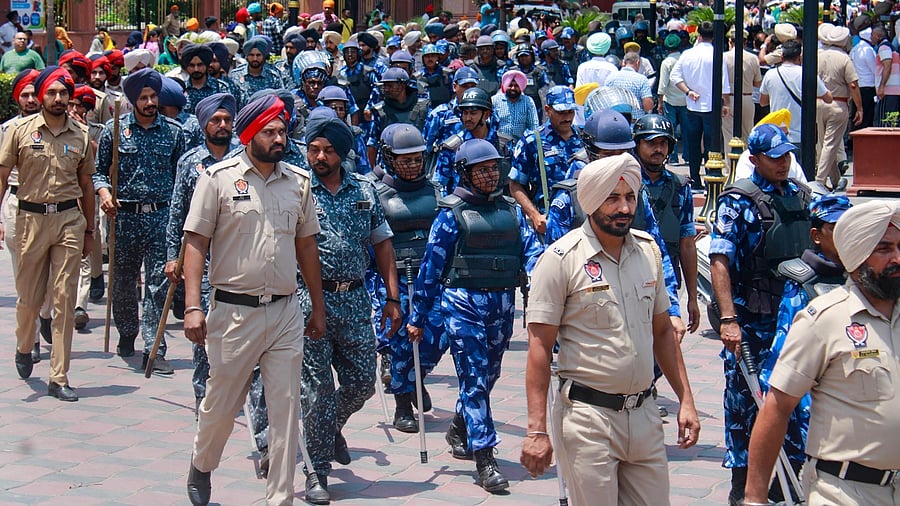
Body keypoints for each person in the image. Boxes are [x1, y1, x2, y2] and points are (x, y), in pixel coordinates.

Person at [520, 153, 700, 505]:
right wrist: (536, 430)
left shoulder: (648, 252)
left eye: (630, 197)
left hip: (645, 417)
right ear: (590, 202)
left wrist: (687, 401)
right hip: (589, 420)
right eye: (612, 198)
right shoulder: (560, 260)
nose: (624, 207)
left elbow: (663, 332)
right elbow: (539, 348)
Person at [183, 94, 325, 506]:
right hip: (233, 313)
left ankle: (279, 497)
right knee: (220, 405)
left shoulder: (298, 182)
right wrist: (193, 306)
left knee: (284, 410)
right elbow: (195, 243)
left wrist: (316, 306)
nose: (279, 138)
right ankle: (202, 462)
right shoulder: (218, 179)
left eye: (283, 130)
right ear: (249, 134)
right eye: (270, 131)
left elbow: (307, 246)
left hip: (284, 311)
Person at [408, 138, 544, 492]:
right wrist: (418, 317)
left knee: (490, 373)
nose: (488, 175)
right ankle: (484, 456)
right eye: (480, 170)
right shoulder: (450, 215)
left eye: (493, 168)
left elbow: (534, 253)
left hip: (502, 306)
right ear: (465, 174)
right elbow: (430, 270)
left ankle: (460, 427)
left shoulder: (512, 211)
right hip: (462, 303)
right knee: (473, 376)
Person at [745, 200, 900, 506]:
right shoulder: (824, 320)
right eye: (884, 249)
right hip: (845, 492)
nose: (897, 257)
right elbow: (776, 409)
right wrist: (754, 498)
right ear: (857, 257)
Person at [301, 113, 402, 505]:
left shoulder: (365, 189)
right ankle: (317, 472)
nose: (320, 156)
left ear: (343, 155)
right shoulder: (298, 189)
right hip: (311, 301)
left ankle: (330, 426)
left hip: (356, 299)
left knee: (362, 381)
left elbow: (382, 244)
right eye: (314, 149)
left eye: (328, 150)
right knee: (317, 391)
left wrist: (392, 299)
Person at [710, 123, 813, 505]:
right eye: (774, 157)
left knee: (795, 400)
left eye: (787, 155)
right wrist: (728, 319)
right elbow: (720, 260)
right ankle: (743, 486)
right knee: (745, 403)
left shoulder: (802, 196)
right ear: (754, 159)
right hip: (752, 321)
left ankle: (788, 480)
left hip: (798, 319)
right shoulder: (738, 201)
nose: (783, 163)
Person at [0, 67, 95, 401]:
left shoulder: (80, 135)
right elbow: (2, 175)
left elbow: (87, 185)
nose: (58, 99)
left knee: (64, 299)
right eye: (51, 93)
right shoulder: (20, 131)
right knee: (29, 298)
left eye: (63, 93)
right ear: (40, 96)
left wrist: (90, 231)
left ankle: (59, 376)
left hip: (69, 219)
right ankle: (25, 345)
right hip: (31, 219)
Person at [94, 68, 186, 373]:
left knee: (159, 283)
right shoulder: (114, 130)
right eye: (144, 98)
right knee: (122, 282)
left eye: (153, 97)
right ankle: (127, 331)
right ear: (133, 100)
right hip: (124, 217)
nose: (149, 102)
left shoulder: (174, 132)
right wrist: (104, 192)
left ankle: (154, 346)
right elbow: (98, 171)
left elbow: (181, 177)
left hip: (161, 216)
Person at [165, 93, 241, 415]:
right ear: (204, 124)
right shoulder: (190, 162)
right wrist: (173, 255)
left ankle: (236, 390)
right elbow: (177, 212)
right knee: (203, 327)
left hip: (237, 255)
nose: (222, 125)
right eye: (215, 120)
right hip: (203, 259)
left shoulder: (243, 157)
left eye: (226, 119)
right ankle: (203, 392)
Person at [372, 124, 447, 432]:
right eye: (405, 159)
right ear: (389, 158)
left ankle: (416, 377)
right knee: (403, 339)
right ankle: (403, 402)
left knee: (440, 333)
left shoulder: (435, 188)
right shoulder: (376, 192)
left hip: (430, 275)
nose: (413, 164)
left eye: (417, 158)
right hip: (395, 276)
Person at [633, 114, 699, 326]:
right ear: (637, 144)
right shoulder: (625, 181)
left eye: (663, 143)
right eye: (651, 143)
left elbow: (687, 244)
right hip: (630, 278)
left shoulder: (680, 187)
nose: (658, 149)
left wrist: (692, 298)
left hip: (666, 282)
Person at [1, 69, 49, 360]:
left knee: (52, 280)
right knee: (24, 279)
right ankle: (29, 341)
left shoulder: (57, 127)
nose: (31, 99)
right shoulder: (7, 130)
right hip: (18, 206)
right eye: (25, 94)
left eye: (35, 93)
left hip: (52, 208)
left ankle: (46, 314)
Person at [509, 86, 582, 235]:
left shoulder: (584, 137)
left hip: (583, 220)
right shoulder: (532, 140)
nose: (567, 118)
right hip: (549, 223)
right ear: (548, 110)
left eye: (571, 112)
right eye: (561, 112)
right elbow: (515, 184)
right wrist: (535, 216)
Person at [671, 21, 732, 191]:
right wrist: (725, 103)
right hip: (712, 106)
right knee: (713, 144)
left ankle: (695, 179)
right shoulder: (717, 54)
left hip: (692, 104)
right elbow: (724, 82)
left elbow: (675, 77)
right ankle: (711, 176)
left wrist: (688, 91)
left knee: (693, 143)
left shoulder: (687, 54)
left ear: (698, 35)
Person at [759, 40, 831, 163]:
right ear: (799, 57)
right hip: (802, 134)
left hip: (778, 134)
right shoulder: (807, 74)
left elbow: (762, 102)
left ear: (781, 57)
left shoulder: (770, 75)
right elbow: (828, 98)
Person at [816, 23, 862, 191]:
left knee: (824, 143)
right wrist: (860, 108)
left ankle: (835, 180)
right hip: (838, 103)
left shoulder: (818, 55)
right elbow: (853, 85)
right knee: (830, 145)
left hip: (818, 102)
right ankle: (819, 181)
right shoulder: (844, 58)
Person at [432, 87, 499, 195]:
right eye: (465, 113)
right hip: (463, 206)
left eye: (473, 113)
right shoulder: (452, 147)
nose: (467, 118)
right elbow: (439, 185)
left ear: (486, 115)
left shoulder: (502, 144)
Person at [723, 29, 762, 144]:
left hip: (727, 98)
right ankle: (746, 160)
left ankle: (730, 162)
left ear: (731, 41)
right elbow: (757, 82)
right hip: (746, 97)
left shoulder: (724, 57)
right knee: (747, 133)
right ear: (745, 42)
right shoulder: (753, 58)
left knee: (728, 134)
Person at [657, 33, 688, 165]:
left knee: (671, 130)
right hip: (686, 100)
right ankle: (688, 156)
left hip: (670, 101)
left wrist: (659, 102)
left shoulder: (666, 62)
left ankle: (673, 156)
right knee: (688, 130)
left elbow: (662, 84)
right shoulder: (685, 59)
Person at [179, 44, 231, 115]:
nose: (196, 69)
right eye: (191, 65)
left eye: (200, 65)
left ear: (207, 65)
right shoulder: (181, 89)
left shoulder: (221, 88)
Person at [491, 70, 539, 142]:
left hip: (521, 144)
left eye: (516, 86)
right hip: (499, 142)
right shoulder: (495, 100)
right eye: (510, 85)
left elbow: (533, 125)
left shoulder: (528, 101)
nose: (513, 88)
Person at [604, 52, 653, 120]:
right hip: (635, 122)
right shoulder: (642, 79)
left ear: (623, 62)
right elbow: (648, 106)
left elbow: (605, 100)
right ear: (637, 62)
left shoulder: (610, 78)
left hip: (615, 120)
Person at [873, 26, 900, 126]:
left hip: (888, 91)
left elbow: (887, 65)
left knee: (884, 123)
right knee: (892, 121)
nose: (871, 37)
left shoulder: (884, 47)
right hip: (894, 91)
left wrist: (882, 87)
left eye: (872, 35)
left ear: (878, 36)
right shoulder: (892, 48)